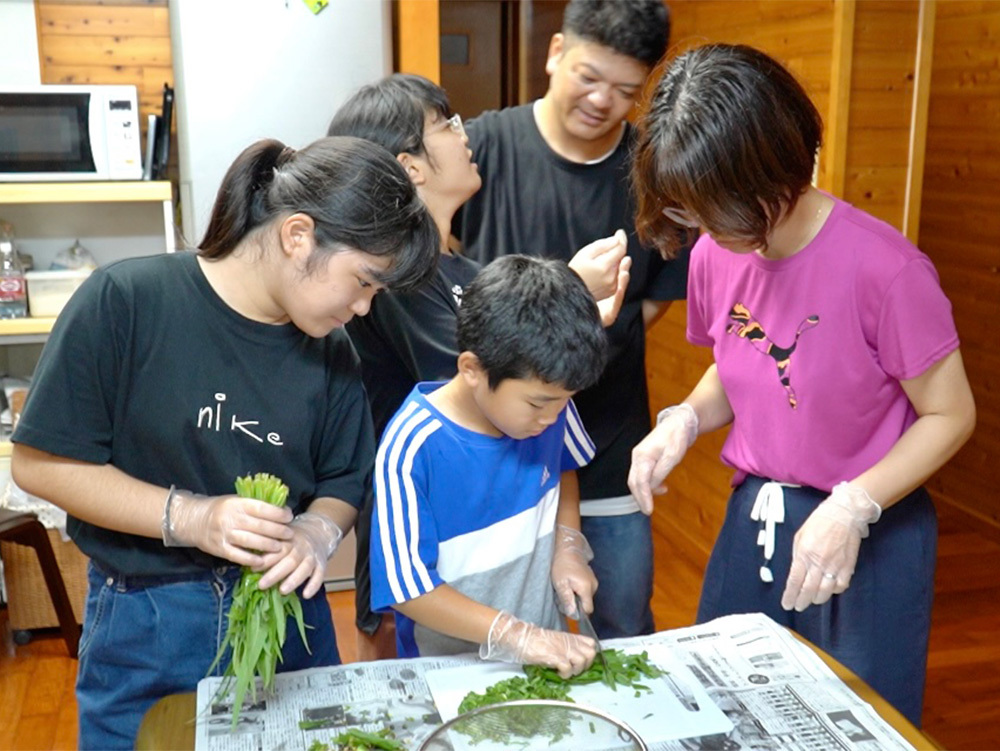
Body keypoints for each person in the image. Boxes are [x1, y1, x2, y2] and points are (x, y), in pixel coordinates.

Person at [9, 135, 438, 749]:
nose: (365, 307)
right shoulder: (127, 301)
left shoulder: (333, 351)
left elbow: (344, 481)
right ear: (298, 235)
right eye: (363, 282)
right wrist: (191, 517)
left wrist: (316, 534)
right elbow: (41, 464)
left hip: (288, 615)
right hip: (148, 619)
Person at [627, 43, 976, 726]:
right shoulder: (714, 252)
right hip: (757, 517)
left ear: (774, 165)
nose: (706, 228)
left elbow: (950, 414)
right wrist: (685, 419)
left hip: (871, 525)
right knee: (724, 709)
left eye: (718, 207)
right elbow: (739, 364)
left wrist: (853, 507)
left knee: (858, 720)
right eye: (693, 210)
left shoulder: (886, 270)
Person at [327, 73, 630, 658]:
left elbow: (525, 381)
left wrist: (568, 545)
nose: (464, 134)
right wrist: (567, 291)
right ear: (410, 166)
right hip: (435, 531)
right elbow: (492, 370)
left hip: (512, 531)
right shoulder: (400, 276)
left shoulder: (465, 271)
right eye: (445, 124)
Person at [453, 0, 689, 639]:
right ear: (557, 52)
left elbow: (654, 297)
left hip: (610, 441)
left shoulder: (653, 171)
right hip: (497, 451)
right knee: (496, 633)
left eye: (626, 90)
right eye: (589, 76)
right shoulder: (482, 148)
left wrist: (595, 346)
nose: (602, 101)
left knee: (622, 621)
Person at [369, 255, 608, 677]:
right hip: (449, 670)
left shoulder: (549, 407)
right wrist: (513, 634)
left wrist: (568, 548)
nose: (552, 418)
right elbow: (408, 589)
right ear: (473, 369)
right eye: (537, 403)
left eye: (565, 402)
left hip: (544, 653)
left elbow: (564, 468)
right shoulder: (412, 445)